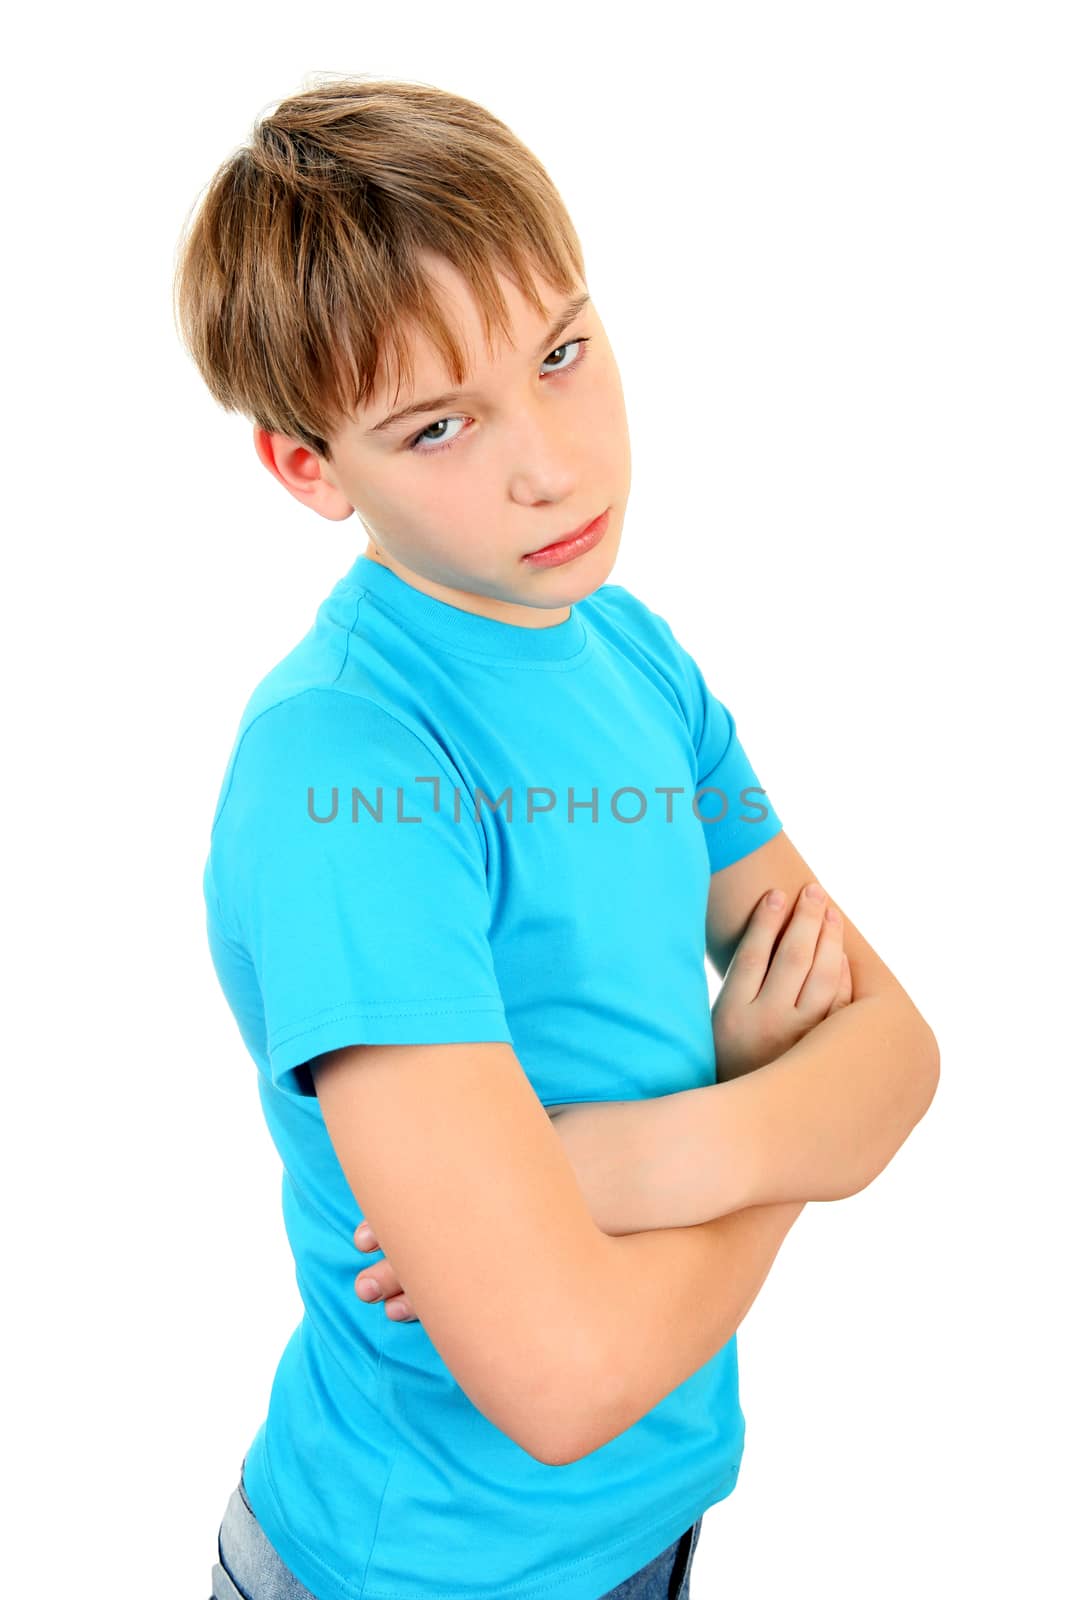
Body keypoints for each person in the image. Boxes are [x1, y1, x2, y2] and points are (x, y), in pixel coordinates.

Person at [174, 75, 939, 1600]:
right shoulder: (347, 771)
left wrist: (613, 1168)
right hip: (415, 1571)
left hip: (647, 1538)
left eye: (564, 353)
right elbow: (565, 1376)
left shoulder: (626, 649)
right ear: (306, 465)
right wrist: (767, 1129)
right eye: (439, 424)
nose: (553, 464)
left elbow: (899, 1056)